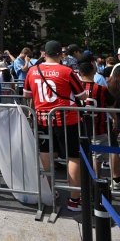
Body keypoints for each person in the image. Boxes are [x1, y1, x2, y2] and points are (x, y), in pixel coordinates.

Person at [23, 40, 87, 212]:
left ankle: (48, 193)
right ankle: (75, 200)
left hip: (43, 118)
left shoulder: (33, 70)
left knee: (45, 155)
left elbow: (27, 94)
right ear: (61, 54)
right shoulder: (67, 71)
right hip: (67, 119)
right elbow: (81, 96)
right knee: (73, 157)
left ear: (44, 53)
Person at [79, 58, 117, 178]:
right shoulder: (101, 88)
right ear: (94, 72)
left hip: (79, 127)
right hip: (99, 127)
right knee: (97, 156)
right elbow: (111, 104)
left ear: (80, 73)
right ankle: (96, 183)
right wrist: (114, 118)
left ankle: (86, 183)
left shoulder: (76, 89)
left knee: (82, 154)